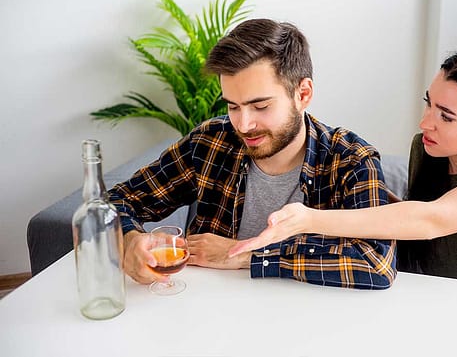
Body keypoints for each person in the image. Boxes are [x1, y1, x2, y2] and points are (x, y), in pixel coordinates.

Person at [109, 18, 396, 290]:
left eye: (260, 107)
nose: (244, 125)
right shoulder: (210, 141)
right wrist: (130, 239)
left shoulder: (350, 159)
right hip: (207, 317)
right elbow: (116, 201)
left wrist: (244, 255)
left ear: (303, 94)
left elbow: (376, 262)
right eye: (233, 106)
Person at [229, 49, 457, 290]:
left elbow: (434, 219)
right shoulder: (427, 150)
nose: (426, 123)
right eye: (429, 104)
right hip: (445, 305)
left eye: (446, 116)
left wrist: (307, 219)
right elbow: (412, 218)